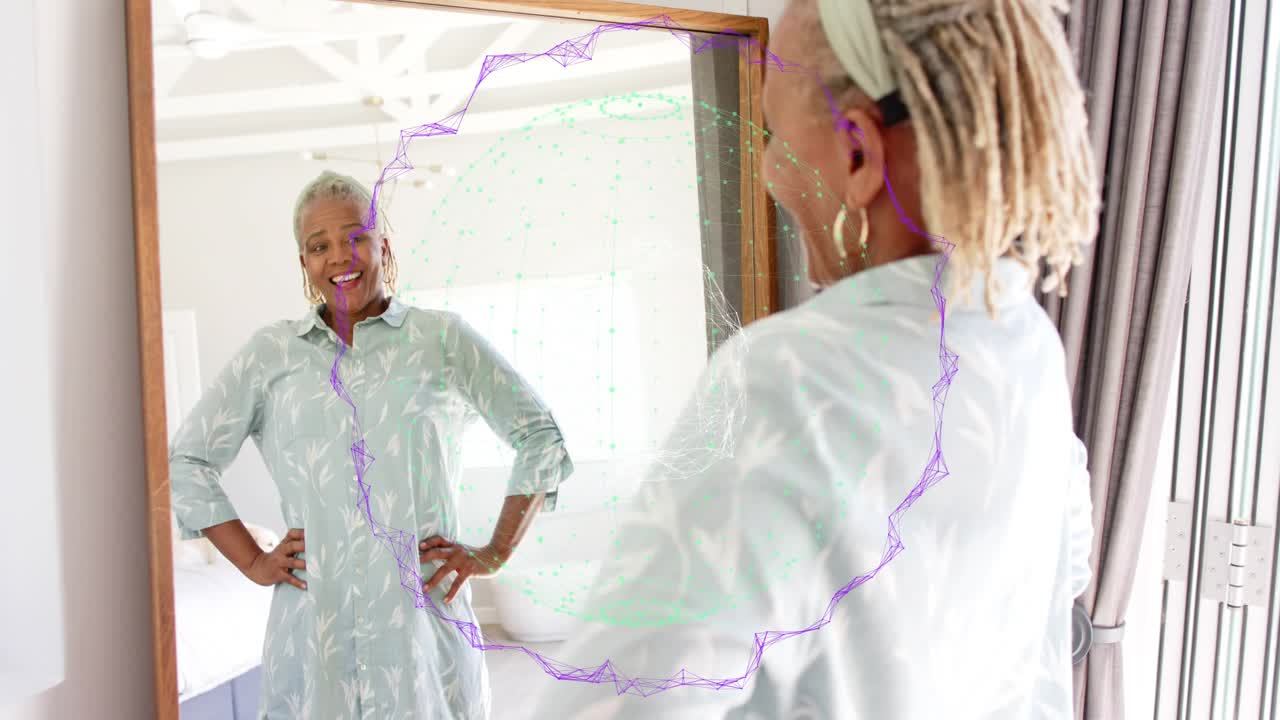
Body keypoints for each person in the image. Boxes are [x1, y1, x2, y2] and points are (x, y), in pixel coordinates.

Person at [528, 0, 1097, 717]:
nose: (767, 166)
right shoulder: (1025, 341)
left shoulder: (786, 387)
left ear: (857, 154)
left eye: (771, 130)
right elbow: (1066, 559)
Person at [168, 170, 574, 720]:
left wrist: (494, 551)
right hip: (315, 643)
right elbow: (189, 459)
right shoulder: (270, 356)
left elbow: (539, 435)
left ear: (382, 244)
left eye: (354, 236)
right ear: (305, 263)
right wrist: (253, 562)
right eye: (319, 246)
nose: (340, 256)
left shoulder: (442, 340)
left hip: (422, 639)